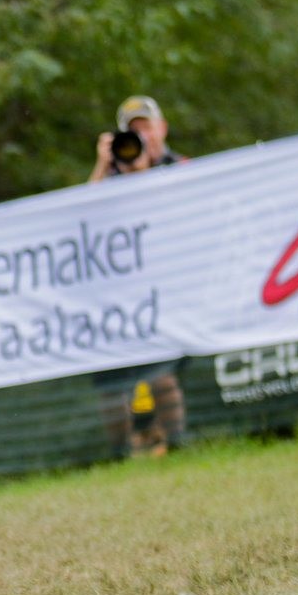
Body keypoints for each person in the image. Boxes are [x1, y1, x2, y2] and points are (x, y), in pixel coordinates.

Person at [88, 95, 187, 456]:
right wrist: (103, 166)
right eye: (131, 131)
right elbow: (82, 220)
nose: (139, 136)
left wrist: (147, 173)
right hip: (120, 294)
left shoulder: (182, 167)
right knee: (112, 382)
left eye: (145, 126)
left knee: (162, 372)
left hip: (173, 288)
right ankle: (119, 455)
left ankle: (176, 443)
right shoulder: (110, 178)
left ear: (161, 128)